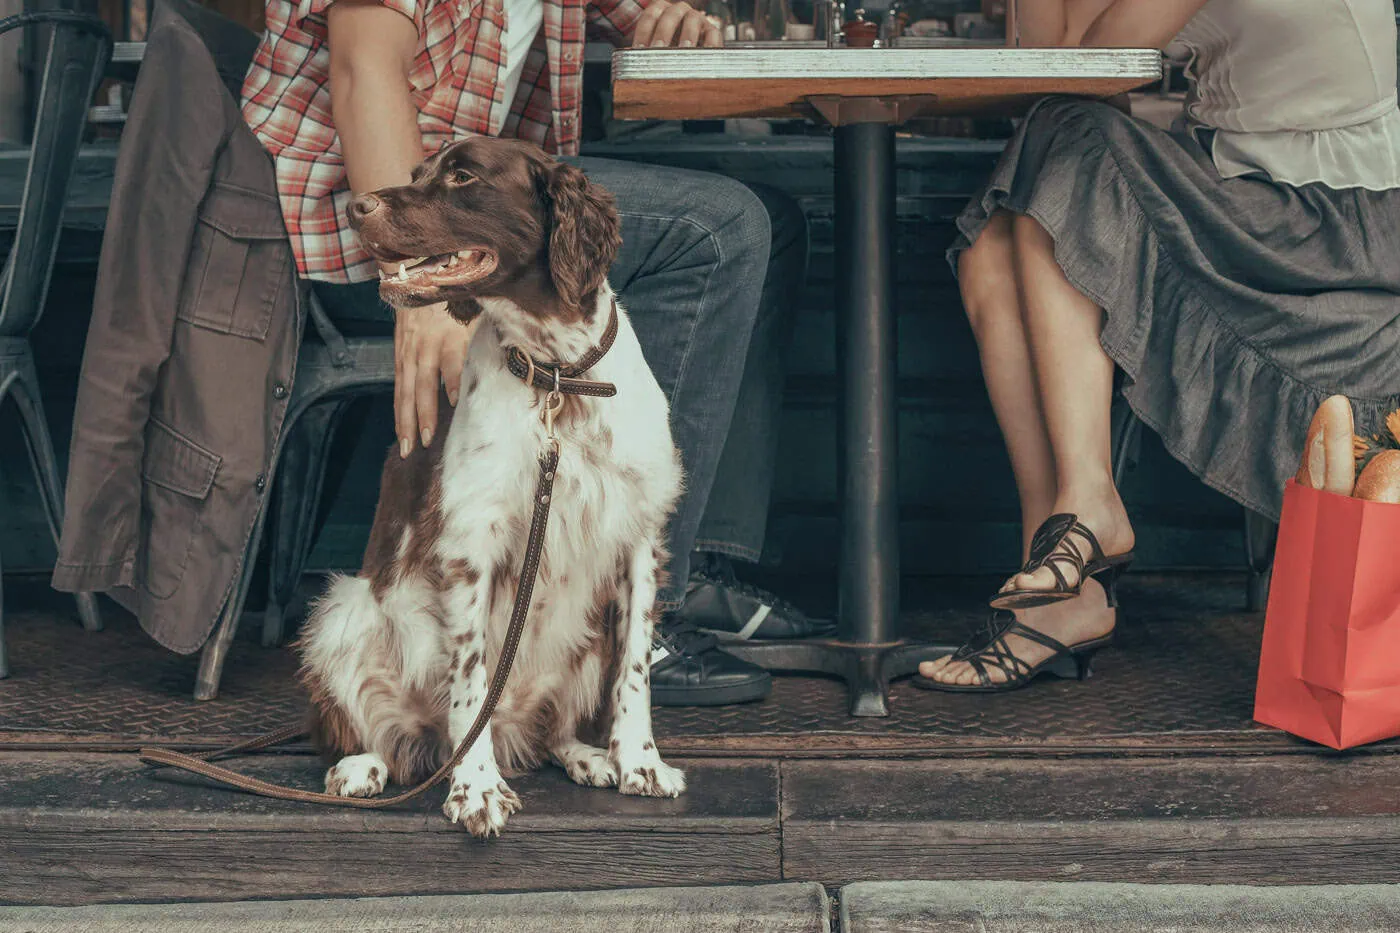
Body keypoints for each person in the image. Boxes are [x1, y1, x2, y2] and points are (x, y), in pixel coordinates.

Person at [241, 0, 827, 707]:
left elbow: (639, 13)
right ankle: (636, 621)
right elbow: (364, 69)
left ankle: (689, 566)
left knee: (772, 219)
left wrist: (676, 19)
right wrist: (424, 282)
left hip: (477, 214)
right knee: (720, 230)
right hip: (357, 221)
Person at [916, 0, 1400, 692]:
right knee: (993, 249)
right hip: (1251, 191)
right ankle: (1063, 579)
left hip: (1334, 220)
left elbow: (1081, 72)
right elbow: (1048, 55)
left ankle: (1088, 506)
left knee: (1069, 136)